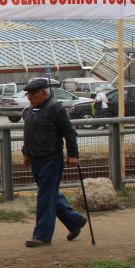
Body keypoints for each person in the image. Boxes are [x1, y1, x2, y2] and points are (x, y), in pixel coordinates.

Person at [21, 79, 87, 248]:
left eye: (33, 95)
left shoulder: (54, 108)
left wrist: (72, 154)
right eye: (28, 95)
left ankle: (42, 236)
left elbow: (69, 132)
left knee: (45, 196)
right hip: (36, 158)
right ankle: (75, 221)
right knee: (50, 194)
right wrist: (26, 153)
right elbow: (29, 133)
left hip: (51, 158)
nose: (30, 98)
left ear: (44, 93)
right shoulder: (31, 110)